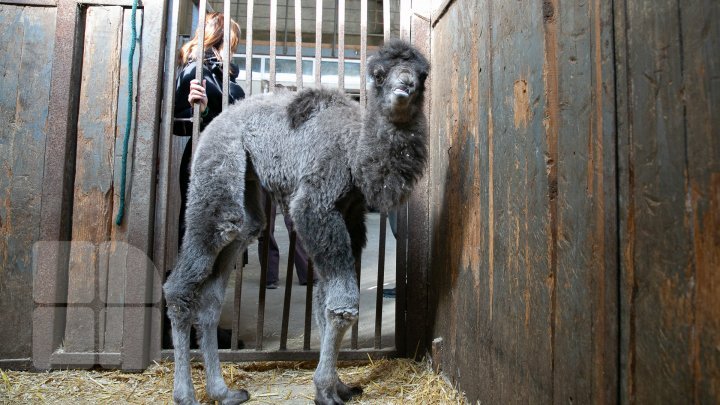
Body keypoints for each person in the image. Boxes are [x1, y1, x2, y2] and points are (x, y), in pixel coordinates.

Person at [166, 12, 244, 350]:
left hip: (228, 167)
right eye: (232, 41)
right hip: (205, 169)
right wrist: (199, 109)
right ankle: (185, 327)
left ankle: (204, 325)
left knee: (218, 248)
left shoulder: (225, 75)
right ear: (218, 38)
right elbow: (179, 124)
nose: (234, 49)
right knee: (202, 247)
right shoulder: (195, 70)